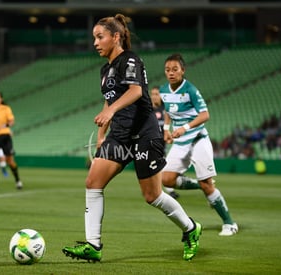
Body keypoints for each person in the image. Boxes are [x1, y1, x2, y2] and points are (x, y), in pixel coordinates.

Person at [62, 14, 202, 262]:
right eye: (94, 37)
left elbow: (135, 92)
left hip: (145, 134)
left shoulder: (131, 60)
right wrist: (103, 135)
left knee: (153, 196)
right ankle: (93, 245)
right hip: (120, 135)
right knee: (93, 182)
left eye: (100, 37)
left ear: (115, 37)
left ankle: (191, 229)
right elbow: (110, 98)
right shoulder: (105, 70)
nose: (95, 42)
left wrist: (111, 111)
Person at [159, 53, 238, 236]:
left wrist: (185, 128)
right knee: (166, 179)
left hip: (198, 140)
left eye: (175, 69)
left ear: (183, 71)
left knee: (207, 185)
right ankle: (200, 185)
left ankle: (229, 223)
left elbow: (205, 115)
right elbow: (168, 112)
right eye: (167, 70)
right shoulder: (164, 90)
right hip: (180, 142)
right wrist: (166, 130)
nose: (171, 73)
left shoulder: (191, 90)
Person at [150, 86, 180, 200]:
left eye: (157, 94)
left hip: (164, 141)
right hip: (152, 141)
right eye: (152, 94)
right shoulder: (147, 109)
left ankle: (167, 187)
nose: (154, 96)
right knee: (158, 164)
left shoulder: (165, 109)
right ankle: (168, 190)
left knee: (162, 164)